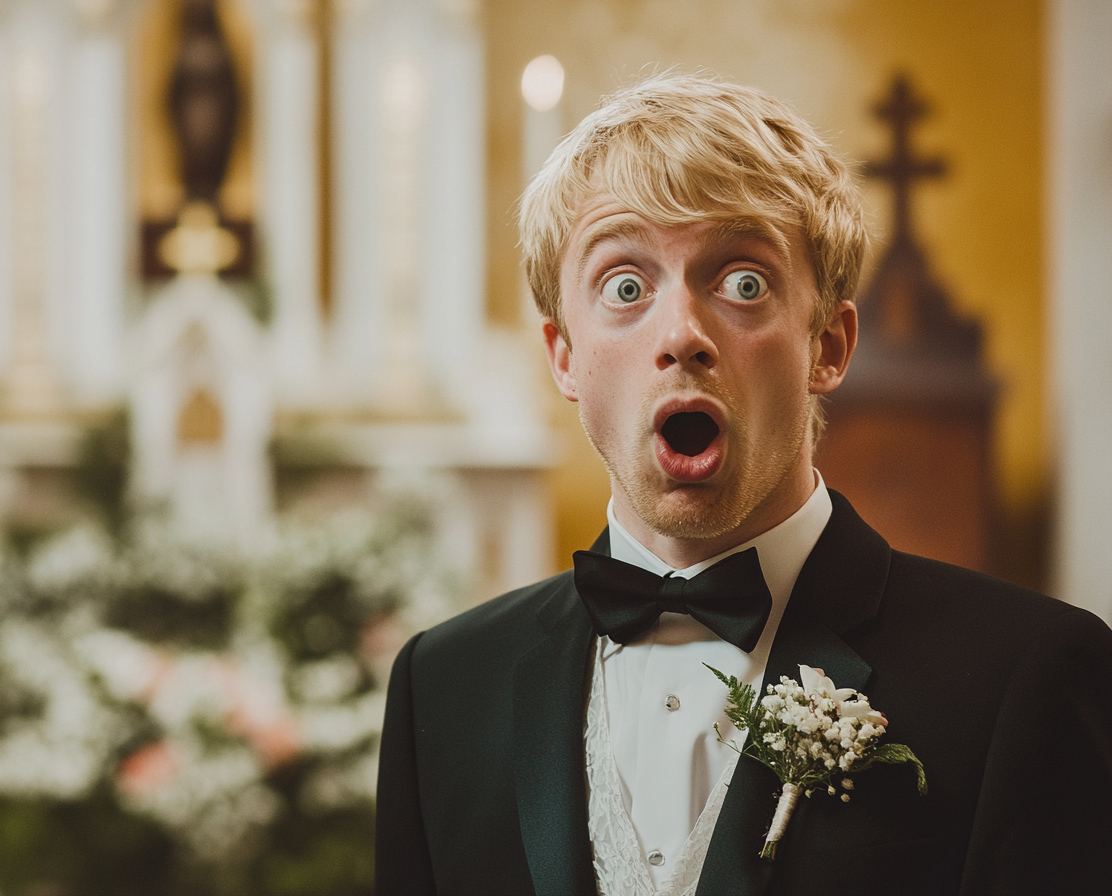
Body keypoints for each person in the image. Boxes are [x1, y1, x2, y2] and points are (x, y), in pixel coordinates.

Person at [373, 72, 1112, 896]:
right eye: (625, 286)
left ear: (827, 345)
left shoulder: (1027, 677)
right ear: (563, 356)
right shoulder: (442, 687)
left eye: (743, 282)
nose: (682, 334)